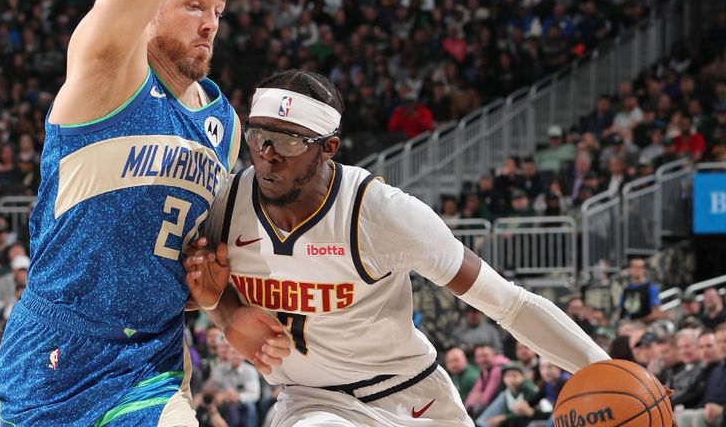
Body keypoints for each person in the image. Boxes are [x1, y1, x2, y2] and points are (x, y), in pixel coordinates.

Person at [0, 0, 290, 425]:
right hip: (55, 353)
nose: (210, 23)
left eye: (218, 12)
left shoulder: (222, 123)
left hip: (151, 362)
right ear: (150, 3)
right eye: (193, 4)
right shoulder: (106, 68)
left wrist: (229, 313)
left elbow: (197, 261)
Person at [188, 70, 610, 426]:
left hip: (411, 399)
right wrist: (222, 311)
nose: (266, 154)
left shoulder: (382, 214)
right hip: (311, 403)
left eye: (289, 141)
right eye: (259, 135)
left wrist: (609, 372)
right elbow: (183, 288)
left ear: (328, 148)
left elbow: (510, 305)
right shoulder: (225, 203)